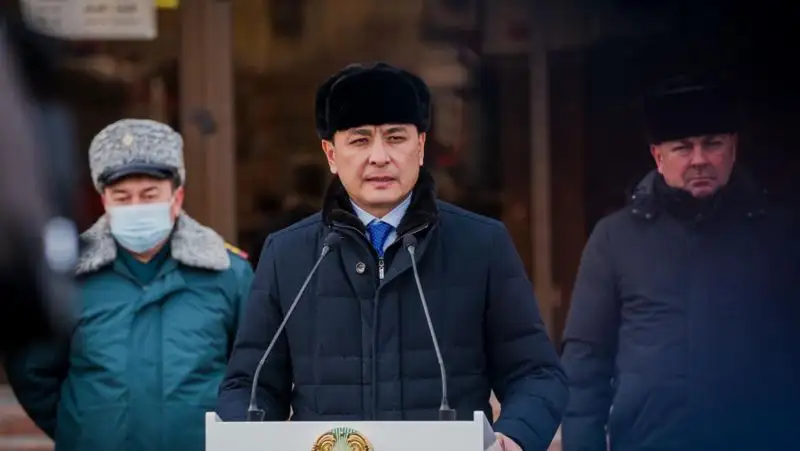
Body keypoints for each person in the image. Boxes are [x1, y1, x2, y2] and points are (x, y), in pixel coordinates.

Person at [217, 62, 568, 451]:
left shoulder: (481, 245)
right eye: (360, 140)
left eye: (395, 137)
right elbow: (249, 386)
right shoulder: (288, 255)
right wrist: (246, 434)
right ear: (331, 154)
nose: (379, 157)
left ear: (420, 146)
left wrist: (515, 436)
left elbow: (535, 374)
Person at [560, 76, 800, 451]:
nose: (699, 160)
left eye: (712, 144)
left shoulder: (781, 235)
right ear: (658, 157)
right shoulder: (614, 239)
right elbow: (584, 365)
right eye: (683, 148)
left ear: (733, 148)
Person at [5, 119, 254, 451]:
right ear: (104, 201)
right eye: (122, 197)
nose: (136, 207)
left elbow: (255, 374)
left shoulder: (228, 273)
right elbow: (33, 373)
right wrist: (81, 429)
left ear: (176, 197)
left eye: (149, 195)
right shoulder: (69, 277)